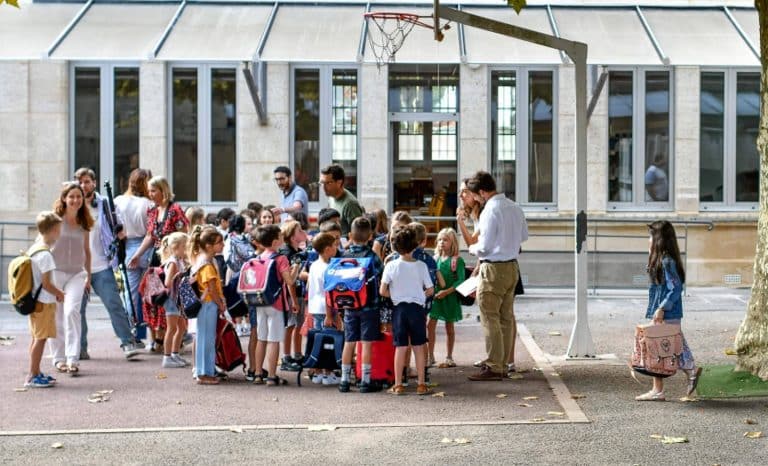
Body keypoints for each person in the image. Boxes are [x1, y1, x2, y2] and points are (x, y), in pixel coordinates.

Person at [466, 171, 528, 381]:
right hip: (512, 266)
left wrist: (472, 249)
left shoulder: (490, 210)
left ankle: (494, 365)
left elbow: (484, 247)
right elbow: (523, 236)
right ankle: (504, 363)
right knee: (506, 317)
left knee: (489, 317)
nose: (476, 199)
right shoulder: (514, 206)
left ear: (482, 192)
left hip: (493, 268)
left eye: (476, 195)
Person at [75, 168, 142, 360]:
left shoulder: (104, 204)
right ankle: (80, 348)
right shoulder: (72, 204)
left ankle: (127, 342)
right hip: (77, 269)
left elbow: (119, 225)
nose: (83, 185)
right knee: (78, 310)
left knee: (114, 305)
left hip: (102, 265)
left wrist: (120, 233)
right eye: (80, 182)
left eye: (87, 181)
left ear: (94, 183)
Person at [636, 220, 701, 401]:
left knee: (660, 346)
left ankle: (682, 376)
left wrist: (661, 308)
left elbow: (676, 288)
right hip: (663, 311)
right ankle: (686, 373)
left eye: (651, 236)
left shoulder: (666, 261)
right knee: (664, 345)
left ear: (659, 239)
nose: (648, 240)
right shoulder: (661, 259)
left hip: (666, 312)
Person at [127, 176, 189, 350]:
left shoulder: (175, 210)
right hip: (156, 257)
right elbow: (149, 236)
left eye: (153, 190)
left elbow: (184, 235)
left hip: (172, 259)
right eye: (149, 191)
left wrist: (184, 259)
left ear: (163, 190)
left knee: (170, 296)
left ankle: (172, 338)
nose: (150, 194)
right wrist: (137, 254)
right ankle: (157, 337)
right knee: (153, 297)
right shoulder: (153, 211)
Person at [380, 225, 434, 396]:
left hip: (399, 309)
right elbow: (430, 289)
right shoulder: (421, 266)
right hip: (417, 309)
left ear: (395, 246)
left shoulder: (391, 265)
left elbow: (382, 291)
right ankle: (421, 384)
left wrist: (395, 294)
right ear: (415, 245)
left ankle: (398, 384)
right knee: (419, 346)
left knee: (400, 347)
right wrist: (420, 294)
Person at [48, 182, 93, 375]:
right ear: (64, 199)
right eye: (71, 196)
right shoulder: (55, 220)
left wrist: (89, 276)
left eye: (79, 197)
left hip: (76, 274)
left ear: (83, 199)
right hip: (56, 272)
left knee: (72, 312)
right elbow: (44, 244)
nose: (75, 200)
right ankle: (58, 359)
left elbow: (87, 251)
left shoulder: (84, 222)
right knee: (57, 316)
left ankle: (72, 358)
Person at [337, 217, 383, 394]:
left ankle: (344, 380)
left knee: (349, 342)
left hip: (349, 305)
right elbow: (381, 274)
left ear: (350, 235)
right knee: (366, 344)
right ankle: (365, 380)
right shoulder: (372, 257)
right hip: (369, 306)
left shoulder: (343, 255)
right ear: (370, 236)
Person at [251, 224, 300, 386]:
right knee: (273, 340)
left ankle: (258, 373)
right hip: (276, 303)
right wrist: (296, 268)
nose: (282, 239)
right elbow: (289, 281)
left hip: (260, 301)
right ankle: (272, 376)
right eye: (280, 237)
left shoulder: (258, 257)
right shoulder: (280, 259)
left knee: (261, 338)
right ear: (274, 242)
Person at [24, 211, 65, 388]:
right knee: (41, 339)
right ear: (53, 230)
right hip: (44, 302)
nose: (60, 232)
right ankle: (32, 376)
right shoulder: (46, 255)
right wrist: (60, 293)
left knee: (36, 337)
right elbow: (47, 284)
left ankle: (36, 371)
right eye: (59, 229)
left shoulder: (34, 248)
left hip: (34, 301)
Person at [114, 168, 153, 342]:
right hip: (146, 246)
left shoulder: (118, 201)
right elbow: (151, 231)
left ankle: (133, 331)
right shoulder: (148, 204)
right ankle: (151, 332)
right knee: (148, 293)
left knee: (130, 294)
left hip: (128, 246)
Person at [188, 226, 226, 385]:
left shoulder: (201, 260)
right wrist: (221, 304)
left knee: (204, 338)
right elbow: (212, 289)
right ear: (209, 246)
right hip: (208, 304)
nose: (222, 245)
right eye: (219, 242)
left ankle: (204, 371)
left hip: (205, 304)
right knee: (207, 340)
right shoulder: (208, 265)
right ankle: (204, 373)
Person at [306, 232, 341, 385]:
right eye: (334, 245)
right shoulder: (328, 268)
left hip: (314, 307)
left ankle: (318, 372)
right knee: (328, 342)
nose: (336, 247)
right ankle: (328, 372)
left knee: (318, 342)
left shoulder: (314, 265)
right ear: (327, 249)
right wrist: (330, 315)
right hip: (326, 309)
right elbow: (328, 293)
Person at [428, 228, 465, 368]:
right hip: (436, 297)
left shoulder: (457, 260)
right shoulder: (435, 259)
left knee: (449, 327)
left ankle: (449, 356)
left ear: (453, 242)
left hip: (450, 298)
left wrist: (446, 292)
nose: (441, 242)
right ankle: (430, 356)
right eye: (439, 239)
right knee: (430, 325)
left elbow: (460, 281)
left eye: (445, 240)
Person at [278, 220, 308, 372]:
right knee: (290, 325)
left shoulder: (298, 252)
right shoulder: (287, 253)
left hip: (299, 293)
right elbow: (289, 280)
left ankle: (297, 354)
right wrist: (294, 300)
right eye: (299, 231)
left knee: (299, 325)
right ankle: (286, 357)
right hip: (291, 295)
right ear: (291, 236)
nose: (303, 232)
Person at [159, 232, 190, 369]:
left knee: (181, 327)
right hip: (172, 300)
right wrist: (179, 276)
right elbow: (167, 283)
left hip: (178, 300)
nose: (187, 250)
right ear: (176, 247)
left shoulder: (179, 260)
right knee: (171, 328)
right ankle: (167, 357)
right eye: (185, 247)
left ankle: (175, 353)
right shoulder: (173, 262)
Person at [320, 164, 364, 237]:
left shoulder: (350, 204)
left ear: (339, 183)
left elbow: (359, 235)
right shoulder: (331, 196)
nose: (323, 187)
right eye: (322, 183)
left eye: (328, 183)